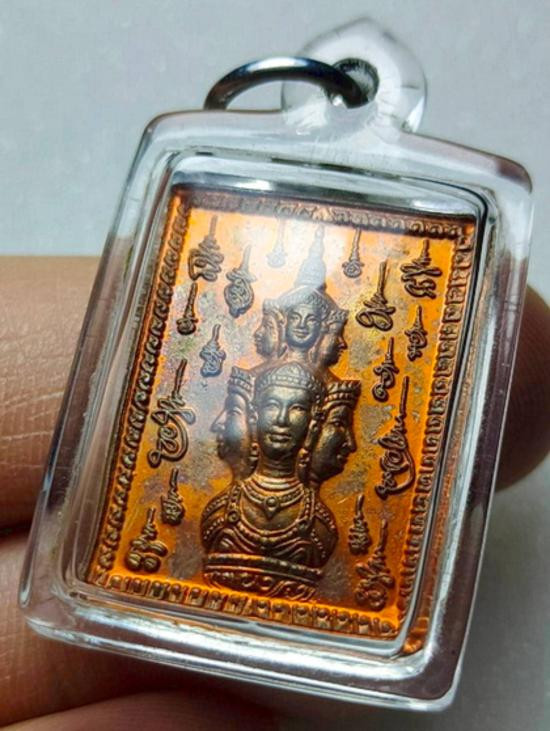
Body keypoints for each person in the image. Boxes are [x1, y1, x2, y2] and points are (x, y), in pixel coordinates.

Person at [1, 259, 548, 728]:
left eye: (296, 413)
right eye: (271, 410)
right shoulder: (223, 502)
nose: (282, 422)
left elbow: (335, 451)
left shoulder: (319, 512)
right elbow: (230, 440)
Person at [201, 362, 338, 599]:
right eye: (272, 405)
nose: (282, 419)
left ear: (313, 424)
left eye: (297, 408)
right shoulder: (219, 513)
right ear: (254, 417)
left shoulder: (319, 526)